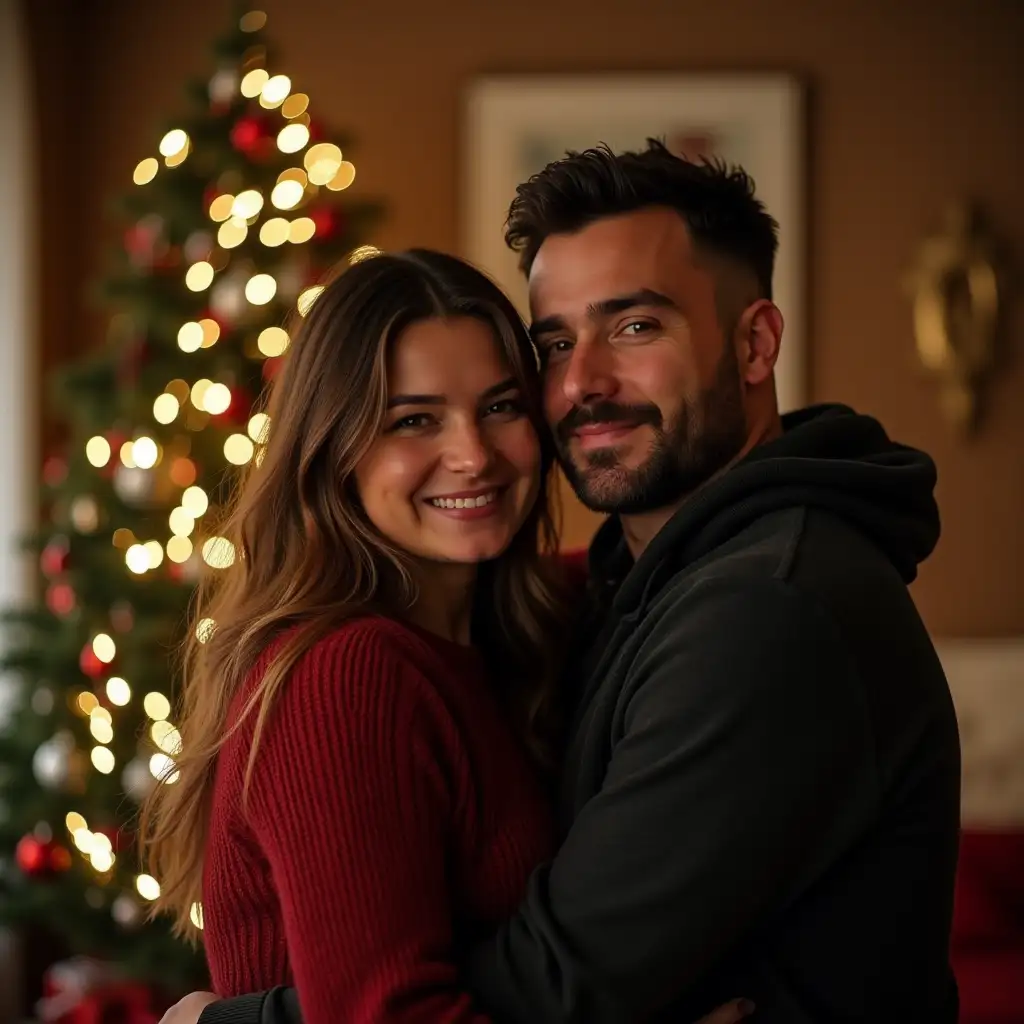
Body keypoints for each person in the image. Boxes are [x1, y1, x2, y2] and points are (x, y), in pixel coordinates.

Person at [164, 141, 962, 1024]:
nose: (582, 383)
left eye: (635, 326)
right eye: (555, 343)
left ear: (755, 343)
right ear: (333, 450)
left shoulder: (756, 604)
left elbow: (562, 981)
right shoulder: (398, 659)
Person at [141, 247, 751, 1024]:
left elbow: (672, 554)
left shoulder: (520, 622)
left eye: (500, 407)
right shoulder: (345, 676)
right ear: (336, 450)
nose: (473, 456)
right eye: (414, 420)